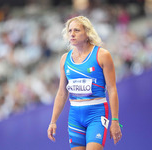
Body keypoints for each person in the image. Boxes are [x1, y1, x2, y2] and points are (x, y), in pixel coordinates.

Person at [47, 16, 122, 150]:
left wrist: (115, 120)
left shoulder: (102, 55)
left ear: (87, 33)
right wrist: (53, 121)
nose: (72, 34)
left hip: (96, 113)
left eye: (77, 30)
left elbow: (112, 89)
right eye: (70, 31)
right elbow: (62, 93)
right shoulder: (65, 59)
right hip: (75, 116)